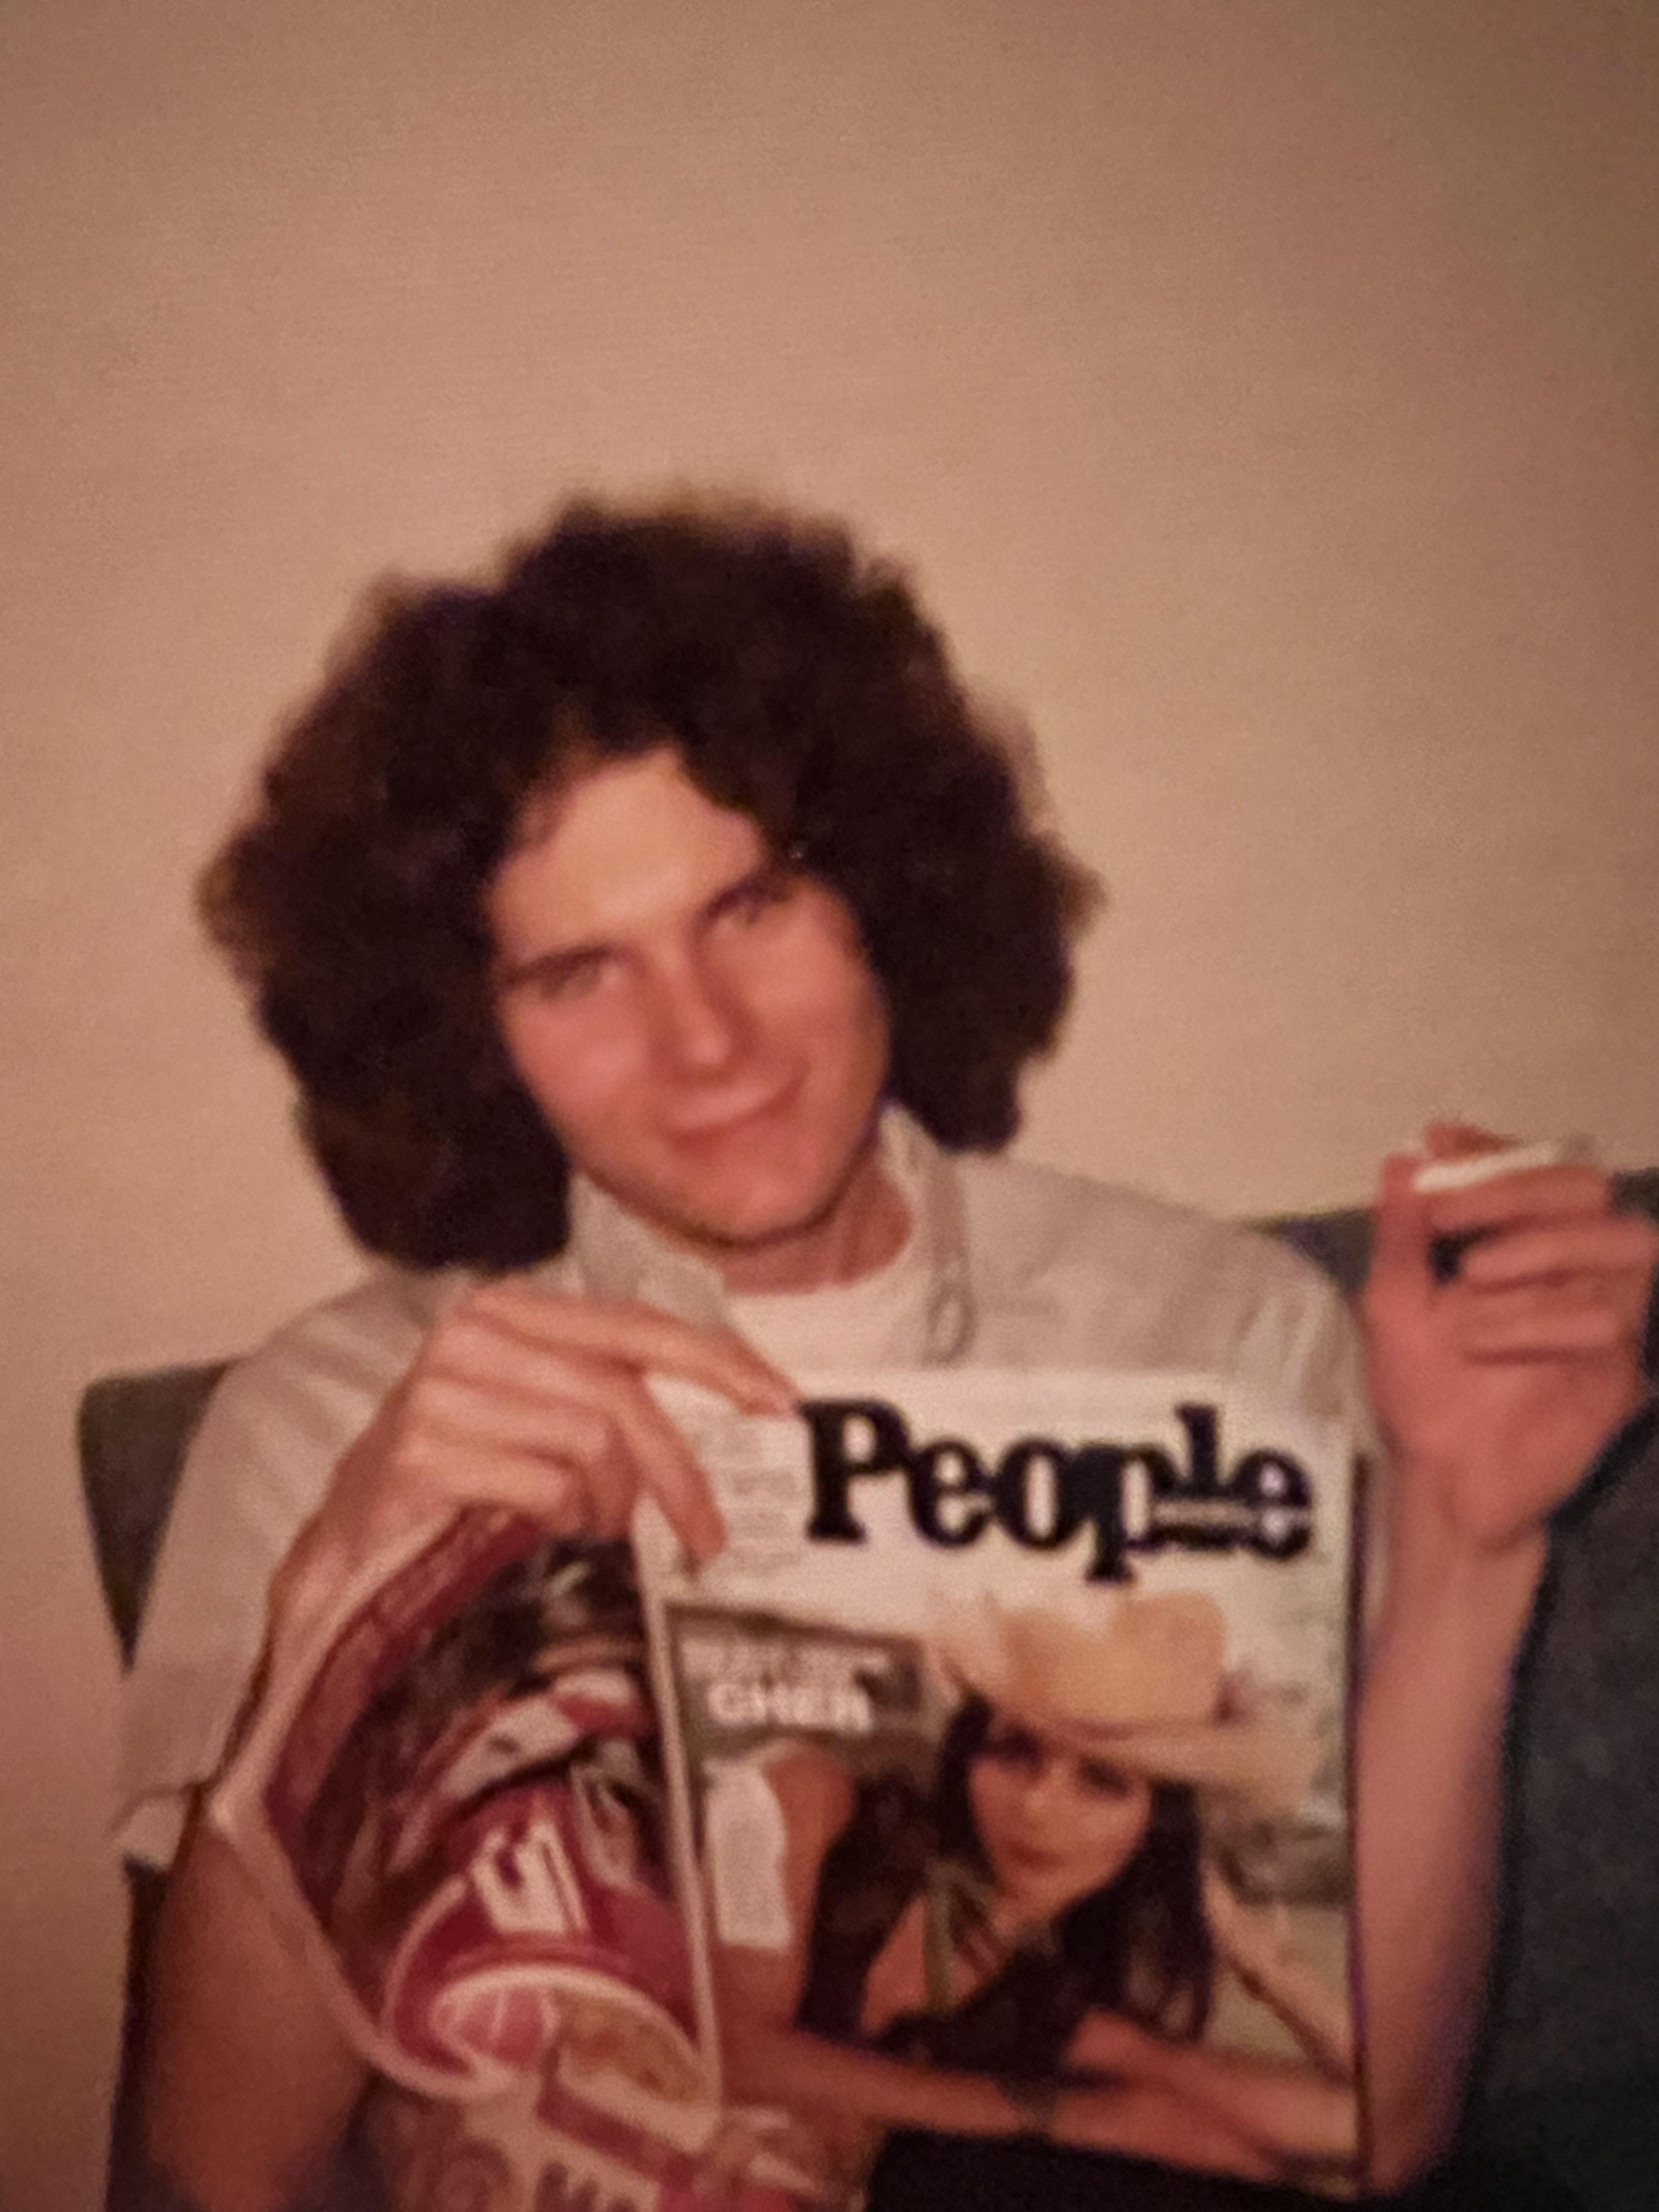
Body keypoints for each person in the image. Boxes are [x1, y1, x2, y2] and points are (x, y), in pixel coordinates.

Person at [121, 496, 1658, 2211]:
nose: (706, 1043)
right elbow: (203, 2176)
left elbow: (1380, 2132)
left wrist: (1471, 1548)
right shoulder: (335, 1424)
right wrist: (332, 1640)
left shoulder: (1215, 1331)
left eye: (754, 903)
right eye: (577, 975)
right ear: (468, 1031)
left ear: (881, 890)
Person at [710, 1593, 1358, 2194]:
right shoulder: (798, 1795)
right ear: (969, 1753)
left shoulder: (1038, 2003)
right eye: (1014, 1751)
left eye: (1101, 1780)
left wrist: (1261, 1958)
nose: (1039, 1807)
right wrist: (1055, 2116)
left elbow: (1358, 2127)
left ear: (1154, 1827)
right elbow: (733, 2051)